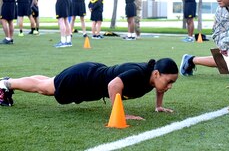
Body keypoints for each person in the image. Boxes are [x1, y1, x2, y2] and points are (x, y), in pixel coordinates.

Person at [0, 58, 179, 120]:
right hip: (84, 79)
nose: (169, 86)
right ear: (156, 74)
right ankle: (5, 84)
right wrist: (120, 114)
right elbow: (113, 85)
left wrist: (159, 105)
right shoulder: (139, 74)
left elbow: (160, 88)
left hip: (90, 75)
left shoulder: (152, 76)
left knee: (48, 83)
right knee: (44, 88)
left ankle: (8, 82)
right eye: (169, 81)